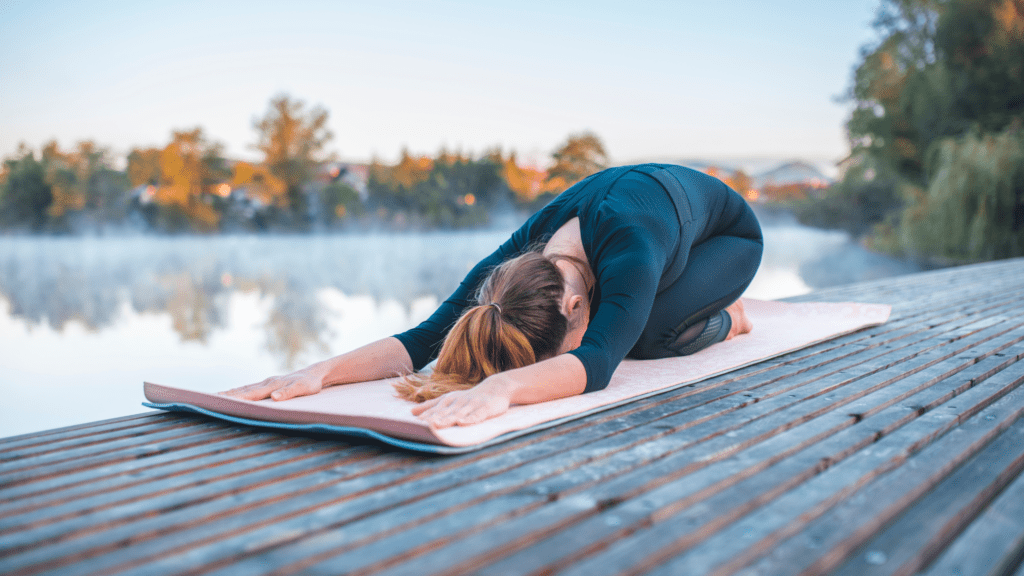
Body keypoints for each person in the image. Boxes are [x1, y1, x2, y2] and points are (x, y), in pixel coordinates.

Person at [224, 163, 763, 429]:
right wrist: (319, 373)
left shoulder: (631, 250)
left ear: (574, 307)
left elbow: (594, 362)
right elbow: (421, 340)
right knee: (627, 319)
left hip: (726, 239)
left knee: (639, 337)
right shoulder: (509, 268)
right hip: (656, 227)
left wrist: (503, 388)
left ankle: (729, 317)